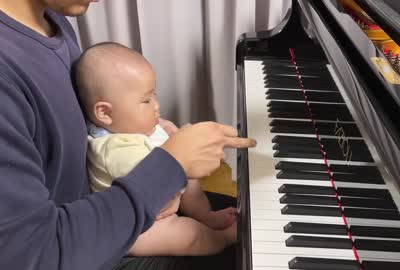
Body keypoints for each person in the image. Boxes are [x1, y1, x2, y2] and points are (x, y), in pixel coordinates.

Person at [0, 1, 256, 270]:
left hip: (109, 210)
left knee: (254, 215)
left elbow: (80, 122)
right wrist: (170, 166)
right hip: (86, 246)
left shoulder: (50, 20)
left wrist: (157, 133)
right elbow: (32, 255)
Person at [75, 41, 237, 256]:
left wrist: (169, 132)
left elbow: (163, 151)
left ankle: (205, 215)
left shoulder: (130, 126)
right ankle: (221, 239)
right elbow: (158, 181)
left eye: (154, 95)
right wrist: (183, 151)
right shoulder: (114, 150)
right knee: (188, 236)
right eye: (146, 100)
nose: (156, 105)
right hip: (138, 228)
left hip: (161, 201)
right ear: (105, 113)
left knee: (192, 186)